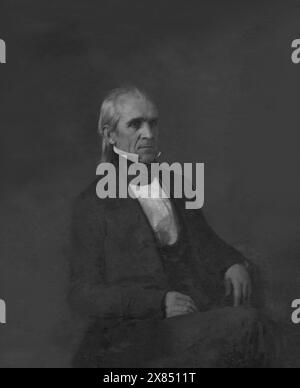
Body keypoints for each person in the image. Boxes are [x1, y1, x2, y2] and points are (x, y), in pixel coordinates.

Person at [69, 86, 270, 368]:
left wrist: (232, 262)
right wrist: (158, 303)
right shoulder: (92, 205)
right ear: (109, 134)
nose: (148, 134)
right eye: (135, 124)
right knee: (244, 324)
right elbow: (83, 294)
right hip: (132, 336)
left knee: (262, 324)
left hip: (189, 319)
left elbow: (206, 242)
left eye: (153, 123)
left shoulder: (174, 184)